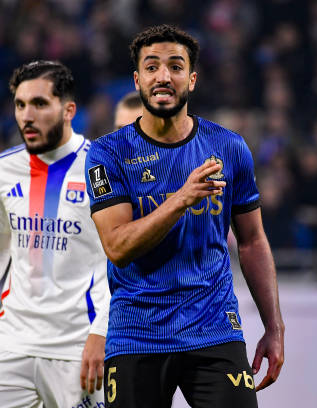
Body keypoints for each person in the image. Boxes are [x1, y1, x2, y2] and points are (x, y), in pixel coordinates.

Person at [85, 25, 284, 408]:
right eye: (152, 67)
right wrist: (181, 199)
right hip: (137, 334)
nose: (163, 76)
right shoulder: (108, 154)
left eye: (175, 67)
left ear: (191, 79)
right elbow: (117, 246)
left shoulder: (229, 147)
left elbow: (252, 241)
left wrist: (274, 326)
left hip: (214, 329)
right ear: (138, 80)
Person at [0, 60, 110, 408]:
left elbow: (120, 259)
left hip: (77, 346)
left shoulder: (102, 168)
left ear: (69, 110)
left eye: (39, 104)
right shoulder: (4, 169)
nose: (26, 116)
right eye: (20, 105)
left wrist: (101, 332)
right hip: (12, 342)